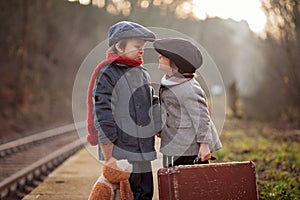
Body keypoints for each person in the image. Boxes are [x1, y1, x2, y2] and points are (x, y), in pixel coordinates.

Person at [86, 21, 160, 200]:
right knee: (126, 195)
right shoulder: (108, 73)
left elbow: (149, 104)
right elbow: (102, 112)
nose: (141, 50)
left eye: (143, 46)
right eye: (137, 46)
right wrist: (109, 156)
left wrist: (160, 123)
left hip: (143, 149)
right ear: (119, 46)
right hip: (122, 152)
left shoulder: (142, 72)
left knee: (145, 192)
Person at [153, 38, 222, 167]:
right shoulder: (170, 82)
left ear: (175, 63)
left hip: (189, 149)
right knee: (171, 179)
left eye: (164, 55)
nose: (159, 56)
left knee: (189, 182)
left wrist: (204, 145)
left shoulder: (189, 89)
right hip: (173, 145)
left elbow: (202, 117)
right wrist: (162, 128)